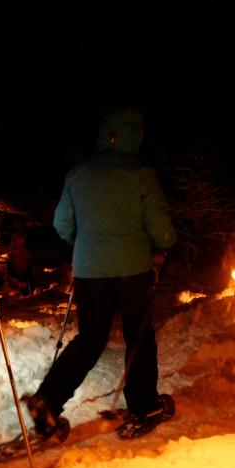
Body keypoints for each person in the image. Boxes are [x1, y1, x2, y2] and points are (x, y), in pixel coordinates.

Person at [26, 105, 177, 439]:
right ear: (135, 134)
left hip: (90, 271)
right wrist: (160, 243)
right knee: (138, 337)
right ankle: (143, 406)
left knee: (90, 339)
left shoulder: (78, 174)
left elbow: (62, 224)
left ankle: (48, 402)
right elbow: (163, 232)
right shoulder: (140, 173)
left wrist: (88, 244)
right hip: (133, 270)